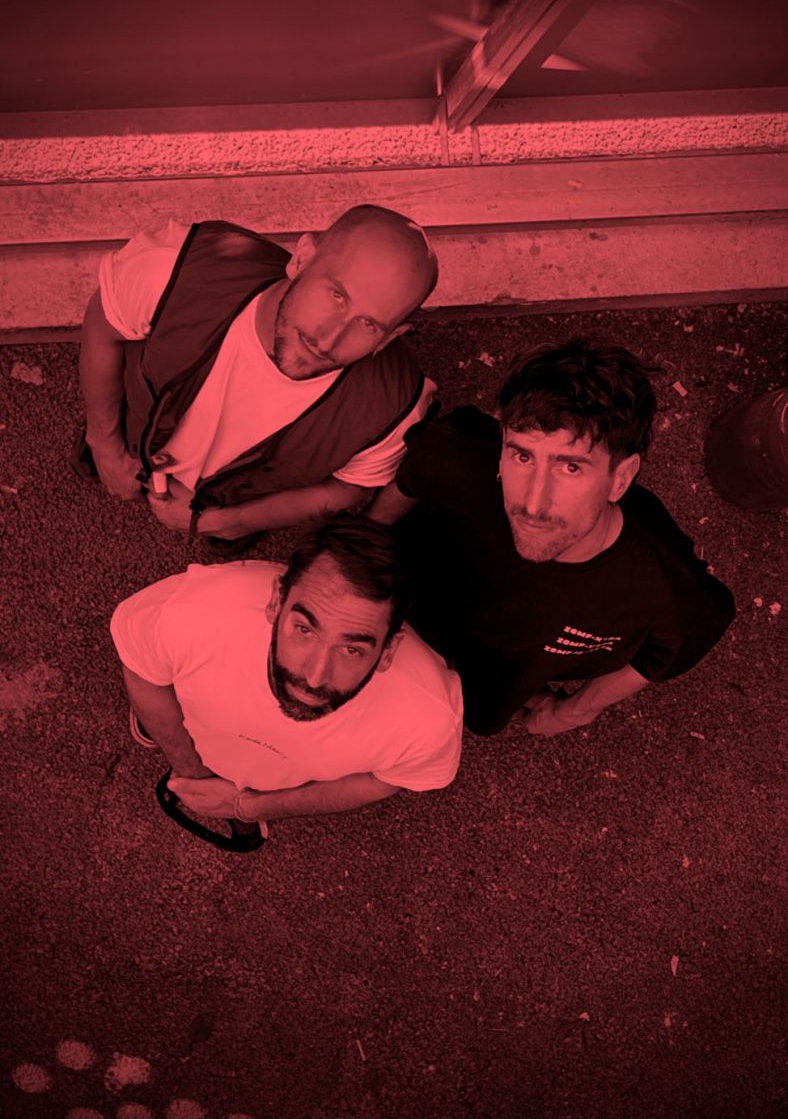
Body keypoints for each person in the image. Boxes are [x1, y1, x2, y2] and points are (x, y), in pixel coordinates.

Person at [369, 337, 736, 738]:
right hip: (410, 605)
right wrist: (359, 560)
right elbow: (405, 488)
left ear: (621, 478)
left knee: (471, 712)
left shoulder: (664, 581)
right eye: (523, 456)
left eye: (570, 467)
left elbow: (688, 634)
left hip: (502, 677)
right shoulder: (460, 456)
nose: (533, 503)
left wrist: (577, 710)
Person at [76, 205, 438, 550]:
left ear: (389, 338)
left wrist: (235, 521)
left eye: (368, 324)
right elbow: (103, 325)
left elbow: (348, 488)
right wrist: (105, 443)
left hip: (240, 495)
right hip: (135, 429)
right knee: (107, 445)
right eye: (336, 295)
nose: (328, 340)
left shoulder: (396, 410)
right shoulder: (176, 268)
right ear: (302, 258)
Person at [109, 517, 462, 836]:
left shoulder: (430, 719)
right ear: (276, 601)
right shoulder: (191, 611)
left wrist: (248, 807)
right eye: (304, 629)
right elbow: (142, 670)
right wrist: (190, 770)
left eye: (351, 649)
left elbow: (387, 779)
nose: (315, 676)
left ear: (388, 651)